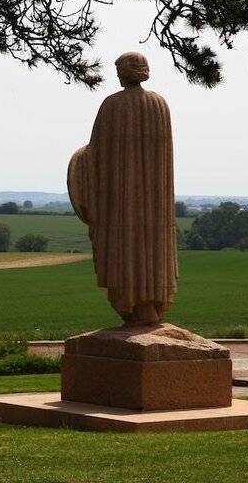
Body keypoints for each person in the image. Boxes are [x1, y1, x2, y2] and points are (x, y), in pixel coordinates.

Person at [68, 52, 177, 326]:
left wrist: (79, 169)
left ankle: (134, 304)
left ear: (127, 72)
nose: (117, 74)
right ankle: (153, 303)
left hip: (121, 204)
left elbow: (96, 154)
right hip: (156, 204)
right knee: (152, 250)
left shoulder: (113, 106)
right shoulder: (160, 105)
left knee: (125, 251)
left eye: (119, 69)